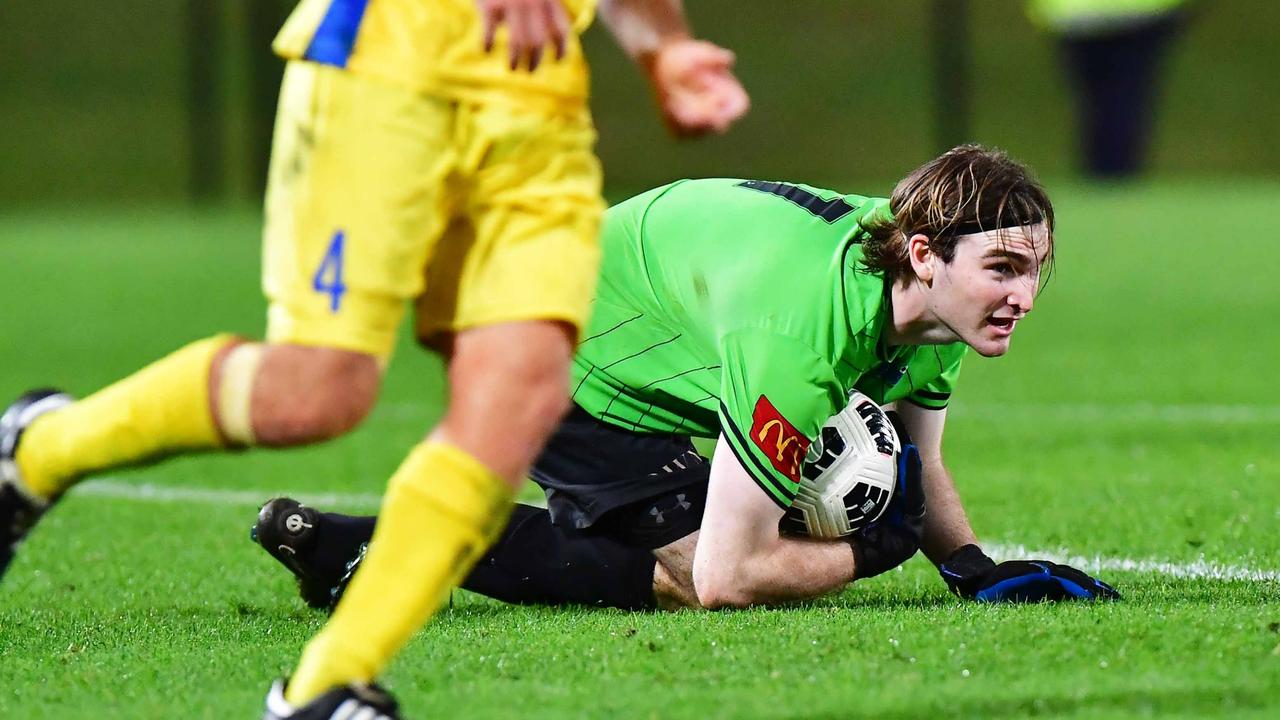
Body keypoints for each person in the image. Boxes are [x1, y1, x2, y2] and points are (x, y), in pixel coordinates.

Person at [0, 1, 748, 717]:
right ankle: (38, 452)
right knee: (316, 393)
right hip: (389, 62)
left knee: (520, 397)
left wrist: (662, 43)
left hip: (535, 101)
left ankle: (320, 691)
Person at [251, 145, 1120, 624]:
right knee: (683, 575)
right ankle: (377, 549)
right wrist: (874, 552)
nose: (1025, 297)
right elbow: (727, 578)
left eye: (1037, 269)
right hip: (553, 341)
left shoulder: (937, 309)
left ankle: (364, 553)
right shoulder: (797, 342)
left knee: (727, 535)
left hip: (642, 327)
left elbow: (916, 467)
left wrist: (970, 569)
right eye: (1005, 268)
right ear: (925, 257)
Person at [1028, 0, 1191, 178]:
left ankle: (1102, 176)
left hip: (1073, 14)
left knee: (1098, 105)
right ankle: (1112, 179)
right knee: (1122, 102)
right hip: (1137, 13)